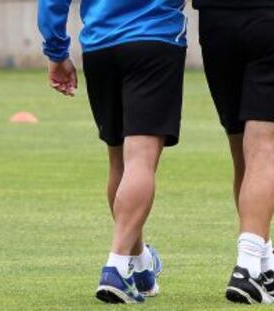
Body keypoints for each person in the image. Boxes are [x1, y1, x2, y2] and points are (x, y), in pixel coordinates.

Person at [38, 0, 187, 304]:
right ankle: (116, 266)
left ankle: (141, 264)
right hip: (154, 38)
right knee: (141, 159)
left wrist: (56, 51)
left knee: (119, 161)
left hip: (100, 45)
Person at [193, 0, 274, 304]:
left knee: (244, 156)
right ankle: (246, 267)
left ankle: (264, 262)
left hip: (217, 21)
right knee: (262, 152)